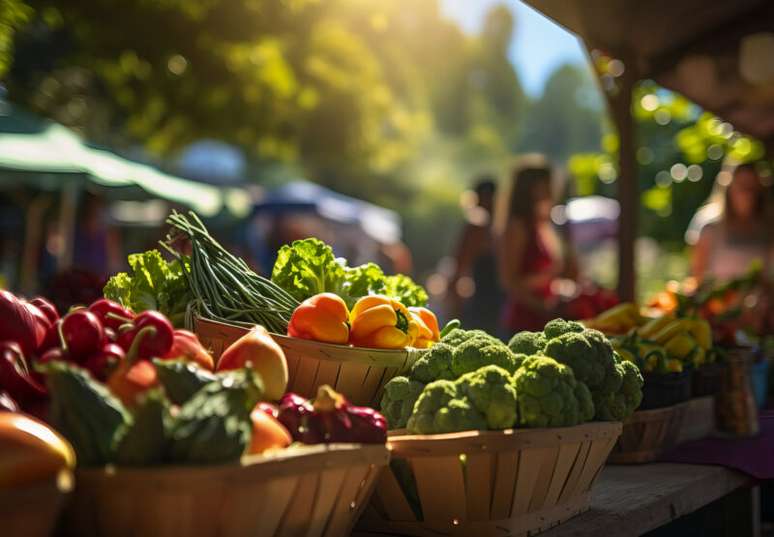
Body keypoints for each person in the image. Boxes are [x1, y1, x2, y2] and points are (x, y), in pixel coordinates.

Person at [497, 155, 577, 333]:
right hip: (524, 322)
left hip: (548, 318)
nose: (552, 189)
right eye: (546, 184)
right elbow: (509, 281)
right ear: (530, 188)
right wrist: (542, 306)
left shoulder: (545, 223)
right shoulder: (517, 227)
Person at [690, 161, 773, 283]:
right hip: (721, 300)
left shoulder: (768, 227)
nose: (747, 193)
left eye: (752, 187)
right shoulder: (710, 227)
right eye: (742, 186)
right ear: (729, 188)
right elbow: (697, 278)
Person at [448, 176, 502, 333]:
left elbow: (459, 266)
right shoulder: (504, 226)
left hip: (481, 305)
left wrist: (454, 308)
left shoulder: (477, 224)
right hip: (498, 305)